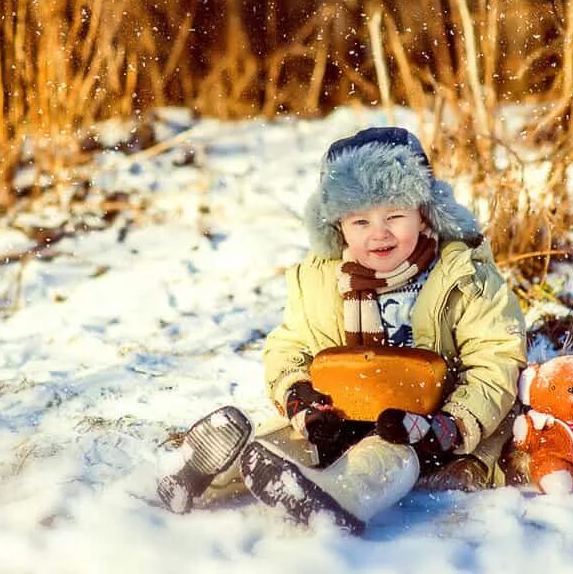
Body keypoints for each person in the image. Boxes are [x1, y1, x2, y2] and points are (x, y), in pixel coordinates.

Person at [157, 127, 527, 533]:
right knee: (287, 439)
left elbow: (496, 358)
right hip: (340, 413)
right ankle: (206, 474)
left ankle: (340, 495)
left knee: (386, 456)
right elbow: (289, 348)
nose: (378, 232)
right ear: (338, 227)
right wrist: (299, 396)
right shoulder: (322, 280)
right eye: (361, 220)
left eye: (395, 215)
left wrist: (452, 424)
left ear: (424, 214)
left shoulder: (463, 275)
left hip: (425, 429)